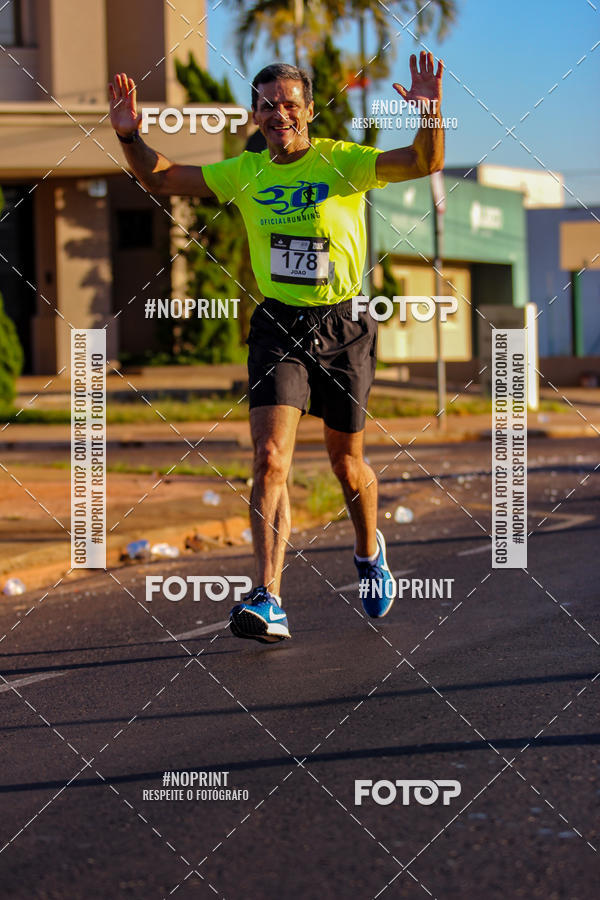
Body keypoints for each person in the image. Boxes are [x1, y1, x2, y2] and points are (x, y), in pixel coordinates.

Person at [108, 52, 444, 644]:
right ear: (256, 115)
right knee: (269, 460)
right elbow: (159, 177)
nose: (278, 114)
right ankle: (269, 597)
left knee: (346, 463)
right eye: (267, 105)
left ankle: (370, 550)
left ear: (310, 111)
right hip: (278, 328)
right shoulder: (245, 171)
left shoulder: (342, 161)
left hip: (344, 327)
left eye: (290, 104)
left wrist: (431, 113)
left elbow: (423, 160)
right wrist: (131, 135)